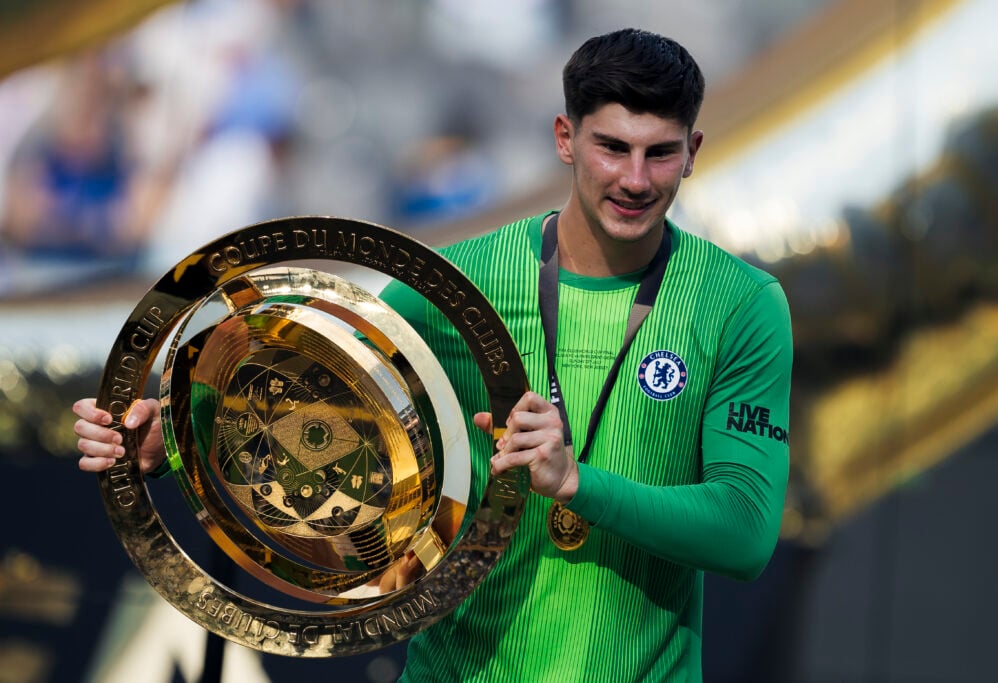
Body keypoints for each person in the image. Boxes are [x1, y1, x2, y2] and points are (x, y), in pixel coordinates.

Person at [74, 28, 792, 682]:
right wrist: (169, 437)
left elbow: (745, 531)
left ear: (693, 152)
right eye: (612, 147)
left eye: (660, 152)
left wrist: (578, 483)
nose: (635, 179)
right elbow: (309, 388)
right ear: (565, 138)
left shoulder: (739, 304)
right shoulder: (459, 281)